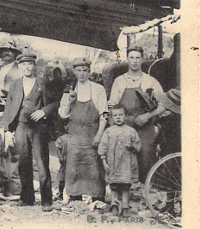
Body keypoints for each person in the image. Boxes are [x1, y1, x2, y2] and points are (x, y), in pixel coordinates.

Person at [3, 52, 60, 212]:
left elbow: (56, 102)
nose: (27, 67)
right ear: (19, 67)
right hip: (20, 126)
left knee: (42, 163)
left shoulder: (43, 83)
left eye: (30, 64)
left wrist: (44, 111)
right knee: (23, 162)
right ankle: (27, 198)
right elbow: (8, 107)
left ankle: (46, 200)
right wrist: (8, 130)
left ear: (34, 66)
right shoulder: (15, 84)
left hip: (38, 128)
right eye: (23, 64)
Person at [108, 46, 164, 181]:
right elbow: (112, 106)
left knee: (145, 157)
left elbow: (163, 106)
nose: (134, 61)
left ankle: (145, 190)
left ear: (142, 59)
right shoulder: (119, 81)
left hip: (144, 126)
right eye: (131, 58)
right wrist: (113, 128)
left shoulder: (150, 81)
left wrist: (148, 116)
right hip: (124, 124)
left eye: (137, 58)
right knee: (122, 157)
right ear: (127, 59)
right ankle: (126, 192)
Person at [58, 57, 107, 202]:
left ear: (89, 71)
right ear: (74, 71)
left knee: (94, 168)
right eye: (78, 70)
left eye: (85, 70)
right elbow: (63, 115)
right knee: (74, 167)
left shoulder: (98, 89)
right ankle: (75, 197)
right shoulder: (70, 90)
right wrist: (70, 102)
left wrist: (99, 135)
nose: (82, 74)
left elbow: (104, 114)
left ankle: (97, 198)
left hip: (92, 134)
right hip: (75, 135)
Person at [98, 105, 141, 217]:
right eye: (115, 115)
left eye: (121, 115)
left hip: (127, 163)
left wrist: (132, 146)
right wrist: (104, 162)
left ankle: (125, 206)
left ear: (126, 116)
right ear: (111, 117)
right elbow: (103, 147)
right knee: (114, 184)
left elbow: (138, 146)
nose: (118, 118)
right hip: (113, 163)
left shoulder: (131, 131)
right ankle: (114, 204)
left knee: (126, 184)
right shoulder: (108, 131)